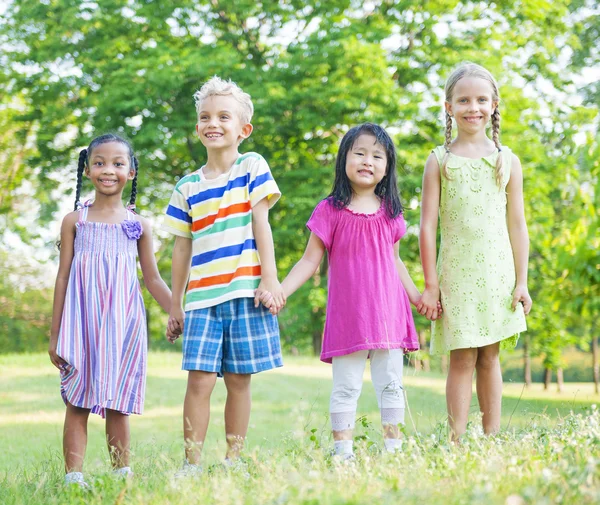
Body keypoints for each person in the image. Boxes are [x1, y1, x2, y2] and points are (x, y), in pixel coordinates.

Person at [259, 123, 432, 460]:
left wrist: (416, 295)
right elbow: (310, 261)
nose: (368, 161)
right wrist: (281, 290)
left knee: (391, 384)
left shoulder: (392, 213)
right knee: (346, 386)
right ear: (344, 160)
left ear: (387, 166)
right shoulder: (330, 210)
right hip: (349, 316)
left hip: (388, 315)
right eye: (360, 153)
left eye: (377, 155)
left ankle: (393, 450)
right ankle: (343, 453)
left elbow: (395, 261)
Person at [163, 76, 283, 475]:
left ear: (242, 129)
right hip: (201, 300)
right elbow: (182, 247)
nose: (212, 123)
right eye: (205, 117)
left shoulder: (252, 166)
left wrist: (270, 279)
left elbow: (260, 222)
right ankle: (191, 463)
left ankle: (234, 460)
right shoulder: (186, 186)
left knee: (238, 380)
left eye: (223, 116)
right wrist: (175, 303)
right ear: (197, 127)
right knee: (198, 381)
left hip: (245, 292)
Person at [49, 133, 175, 487]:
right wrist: (55, 334)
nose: (109, 170)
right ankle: (74, 478)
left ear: (131, 172)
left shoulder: (139, 225)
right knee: (78, 400)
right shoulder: (75, 221)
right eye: (100, 163)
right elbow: (62, 278)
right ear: (87, 170)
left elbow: (152, 279)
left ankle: (122, 475)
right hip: (80, 324)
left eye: (118, 163)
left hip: (123, 324)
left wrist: (176, 312)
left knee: (118, 403)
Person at [418, 62, 532, 442]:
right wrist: (430, 286)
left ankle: (492, 438)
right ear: (449, 106)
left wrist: (523, 282)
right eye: (463, 100)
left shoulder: (507, 161)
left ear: (494, 104)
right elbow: (427, 227)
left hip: (497, 277)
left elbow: (517, 225)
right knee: (462, 357)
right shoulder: (440, 161)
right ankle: (456, 441)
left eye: (482, 100)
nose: (473, 108)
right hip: (458, 276)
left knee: (490, 357)